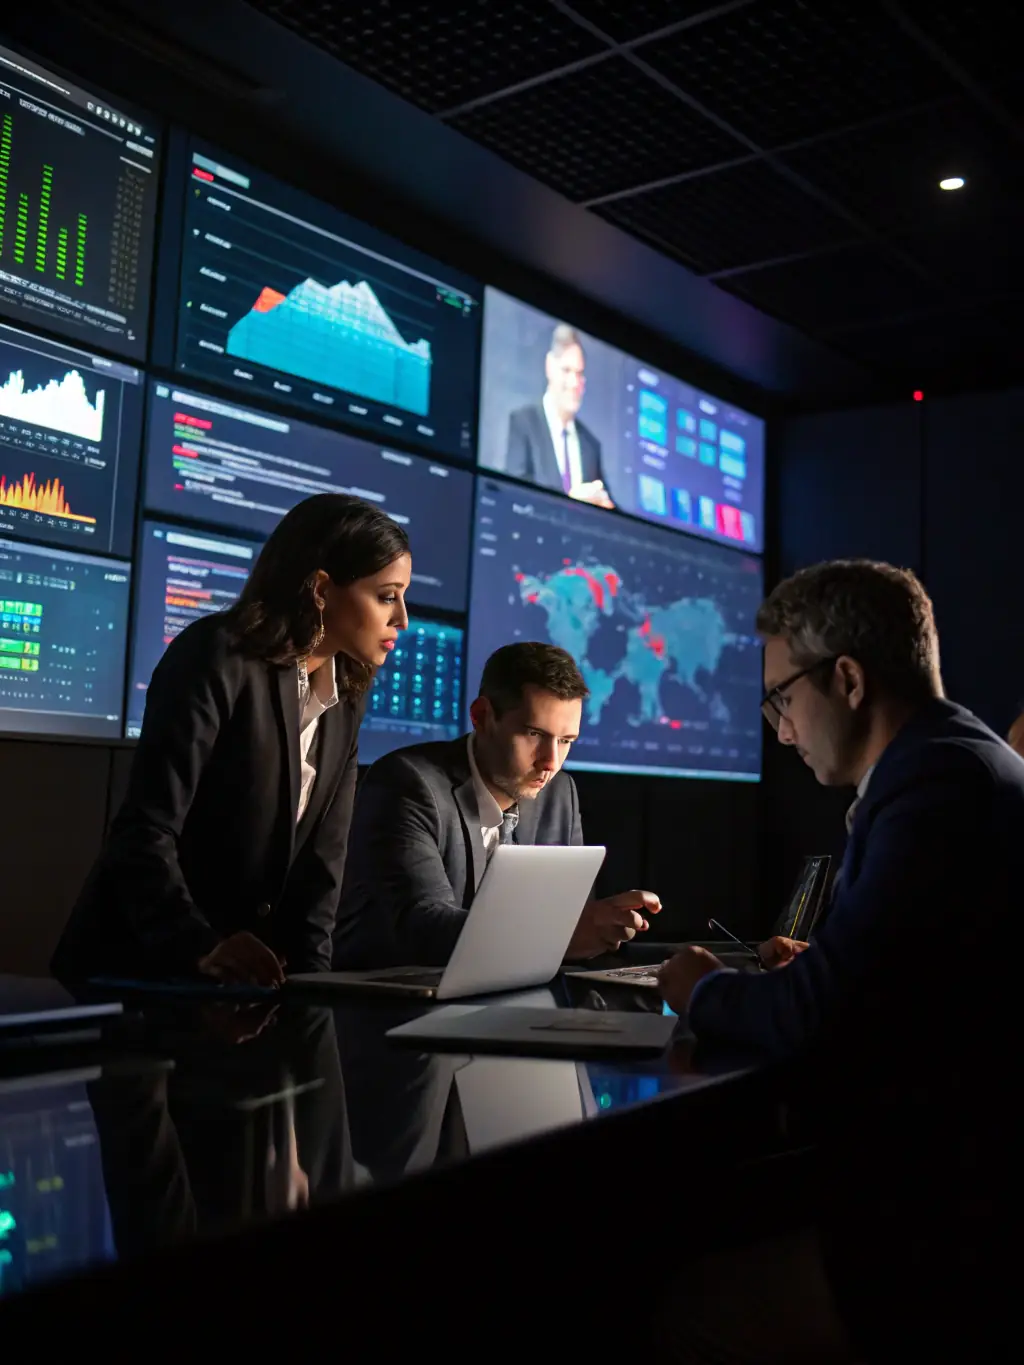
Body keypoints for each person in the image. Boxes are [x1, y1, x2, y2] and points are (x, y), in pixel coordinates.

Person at [655, 560, 1016, 1363]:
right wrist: (830, 961)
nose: (780, 730)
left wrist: (704, 987)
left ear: (847, 678)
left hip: (945, 1253)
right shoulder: (961, 762)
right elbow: (908, 985)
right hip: (960, 1215)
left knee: (672, 1304)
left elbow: (816, 1018)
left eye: (782, 696)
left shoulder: (936, 787)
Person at [52, 494, 411, 987]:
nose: (403, 619)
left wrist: (311, 997)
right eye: (387, 596)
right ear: (322, 589)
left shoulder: (346, 696)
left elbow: (321, 873)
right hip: (144, 976)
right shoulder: (216, 656)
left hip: (244, 997)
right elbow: (144, 833)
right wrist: (204, 947)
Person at [333, 641, 660, 968]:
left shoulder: (560, 793)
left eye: (565, 741)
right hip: (386, 1004)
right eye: (534, 734)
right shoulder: (407, 782)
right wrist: (558, 936)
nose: (551, 762)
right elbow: (424, 928)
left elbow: (572, 924)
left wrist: (600, 927)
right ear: (481, 716)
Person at [505, 323, 614, 509]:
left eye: (579, 374)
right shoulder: (523, 423)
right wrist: (572, 499)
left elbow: (612, 509)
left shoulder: (591, 445)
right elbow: (514, 497)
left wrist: (605, 504)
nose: (574, 382)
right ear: (550, 366)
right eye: (566, 370)